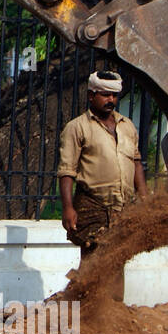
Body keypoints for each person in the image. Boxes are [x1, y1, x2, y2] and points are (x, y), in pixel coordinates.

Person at [58, 69, 148, 297]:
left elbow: (136, 162)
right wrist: (68, 208)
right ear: (91, 96)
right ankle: (87, 311)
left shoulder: (127, 126)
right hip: (91, 205)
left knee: (117, 259)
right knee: (93, 259)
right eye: (105, 95)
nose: (111, 100)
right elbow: (67, 171)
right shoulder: (77, 127)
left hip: (122, 207)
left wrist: (144, 196)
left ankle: (114, 312)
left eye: (114, 95)